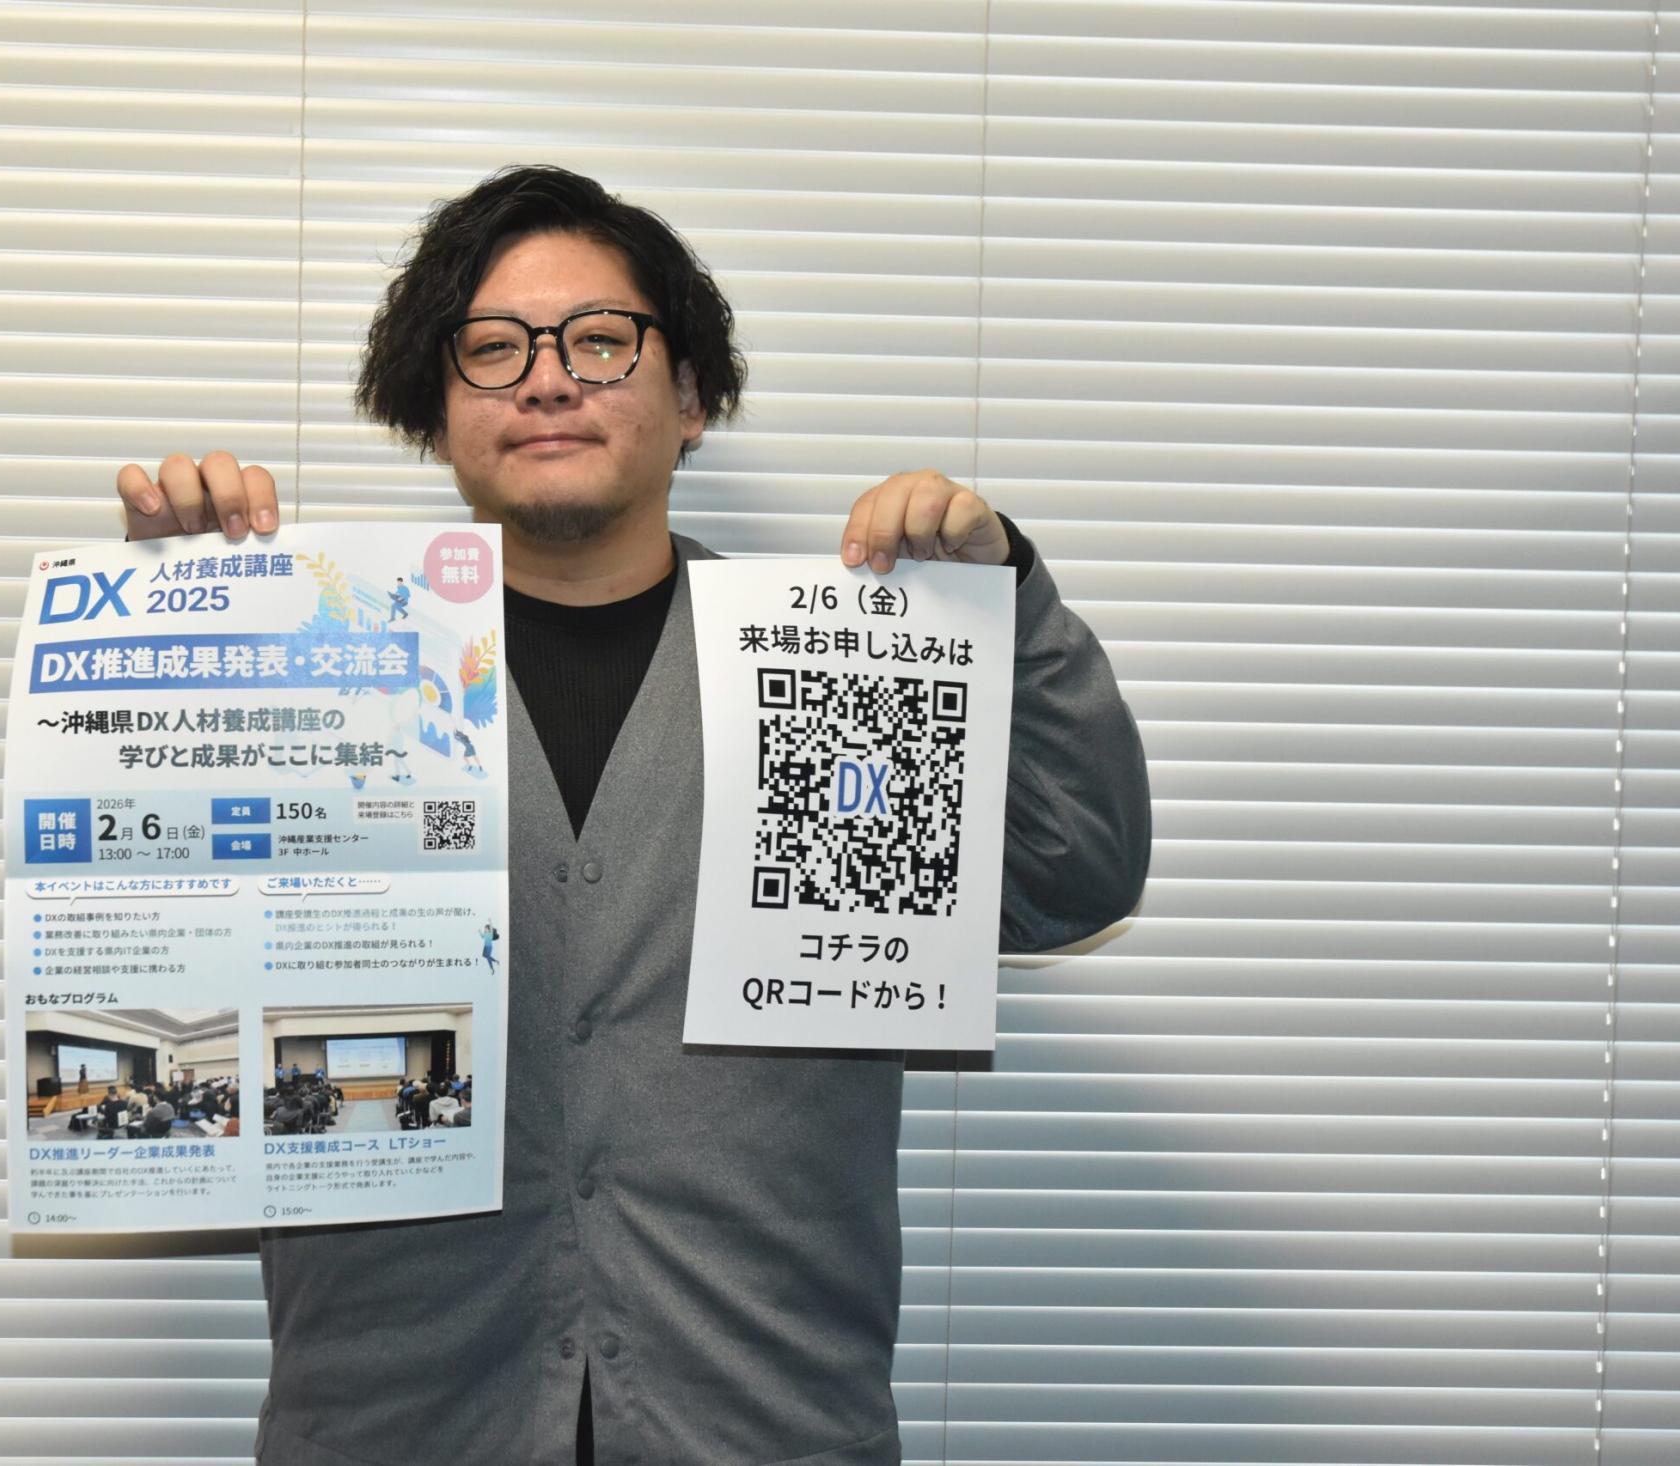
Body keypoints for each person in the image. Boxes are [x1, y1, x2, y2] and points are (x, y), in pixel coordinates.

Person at [116, 165, 1149, 1466]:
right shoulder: (318, 678)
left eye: (600, 341)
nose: (549, 381)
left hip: (763, 1421)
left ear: (692, 397)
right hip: (395, 1423)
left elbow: (1074, 873)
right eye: (494, 349)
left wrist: (1005, 602)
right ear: (437, 409)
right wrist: (184, 636)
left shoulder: (830, 673)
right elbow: (170, 985)